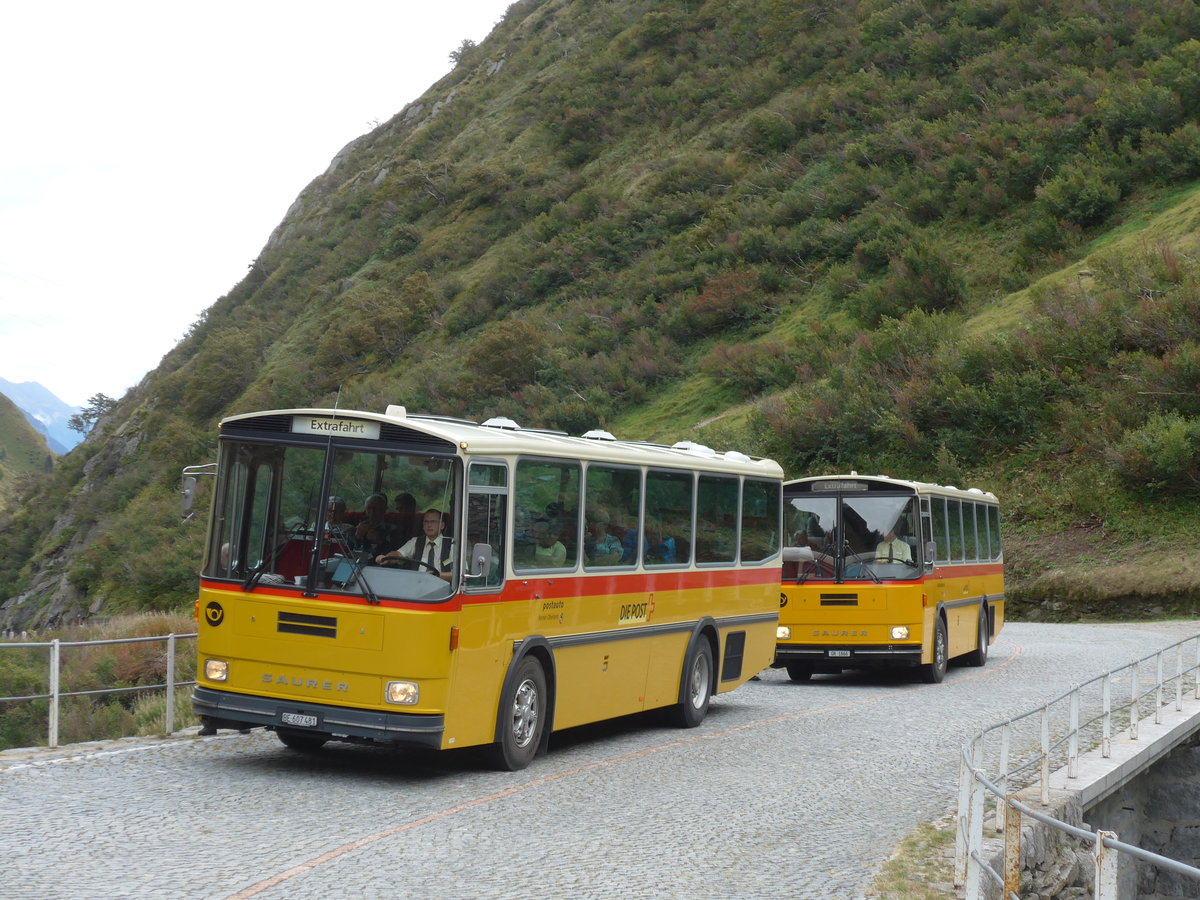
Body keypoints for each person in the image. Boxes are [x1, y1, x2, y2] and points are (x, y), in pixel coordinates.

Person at [376, 508, 455, 580]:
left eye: (433, 521)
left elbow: (458, 575)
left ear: (442, 525)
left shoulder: (452, 544)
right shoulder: (415, 541)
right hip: (416, 588)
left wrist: (436, 575)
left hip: (444, 591)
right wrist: (387, 558)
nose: (429, 525)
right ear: (423, 526)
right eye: (426, 522)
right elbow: (399, 554)